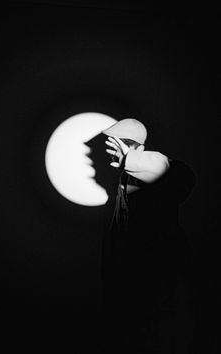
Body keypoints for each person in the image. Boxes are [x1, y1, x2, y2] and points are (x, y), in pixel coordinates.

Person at [100, 118, 196, 353]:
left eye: (122, 143)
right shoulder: (126, 179)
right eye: (113, 143)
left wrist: (130, 159)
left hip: (158, 282)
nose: (114, 149)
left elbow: (176, 172)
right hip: (128, 286)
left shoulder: (162, 170)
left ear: (140, 149)